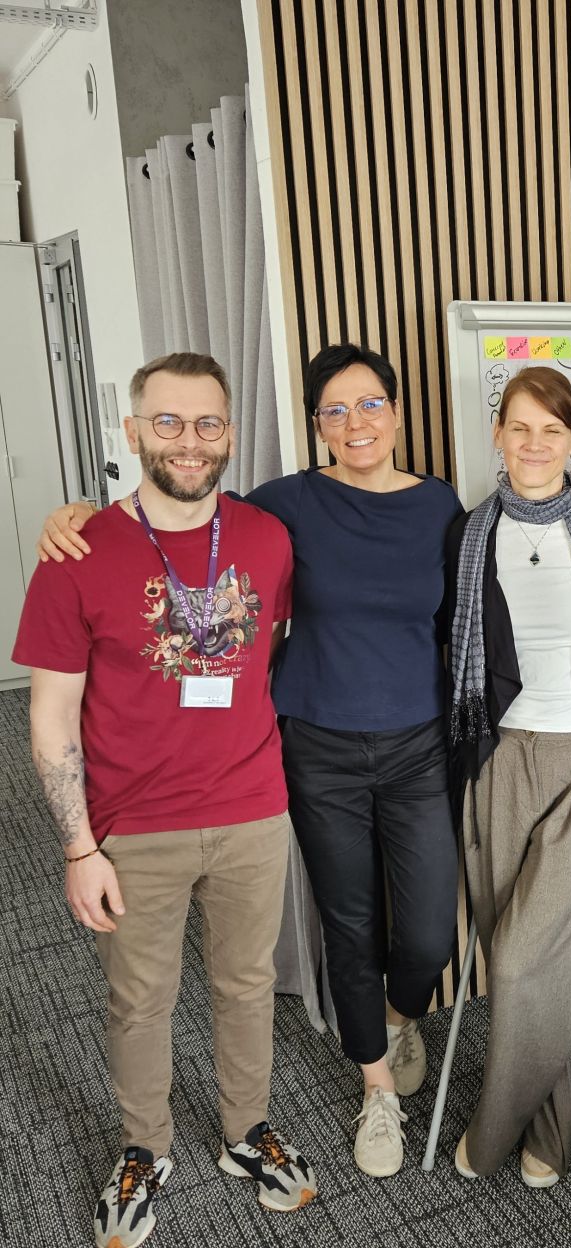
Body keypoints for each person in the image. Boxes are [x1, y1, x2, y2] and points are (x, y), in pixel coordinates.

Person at [36, 343, 462, 1180]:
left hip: (397, 751)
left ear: (397, 411)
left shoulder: (429, 506)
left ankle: (387, 1026)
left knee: (418, 936)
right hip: (305, 752)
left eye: (370, 404)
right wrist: (80, 510)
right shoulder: (282, 506)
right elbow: (177, 501)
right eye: (335, 410)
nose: (355, 422)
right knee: (340, 925)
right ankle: (370, 1089)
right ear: (316, 425)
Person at [14, 352, 317, 1248]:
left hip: (253, 808)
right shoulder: (77, 555)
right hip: (132, 827)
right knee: (141, 1000)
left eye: (208, 423)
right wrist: (79, 847)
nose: (190, 441)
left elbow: (273, 650)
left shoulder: (268, 538)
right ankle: (144, 1147)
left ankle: (246, 1129)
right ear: (135, 430)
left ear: (231, 433)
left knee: (246, 983)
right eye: (169, 422)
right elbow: (50, 717)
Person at [448, 366, 571, 1188]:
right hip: (497, 755)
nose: (534, 444)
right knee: (516, 953)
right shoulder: (468, 534)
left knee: (527, 959)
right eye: (519, 427)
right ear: (498, 433)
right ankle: (551, 1135)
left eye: (551, 430)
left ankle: (492, 1133)